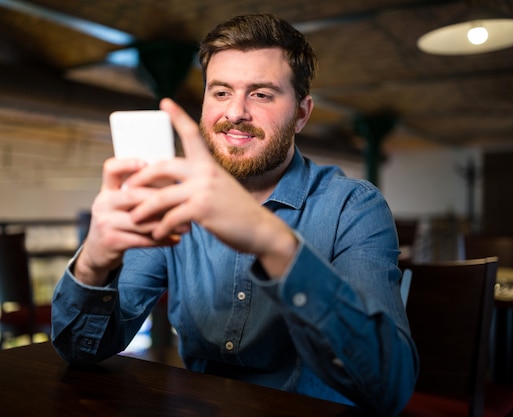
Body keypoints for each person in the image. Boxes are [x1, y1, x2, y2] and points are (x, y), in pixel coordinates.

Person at [51, 13, 418, 416]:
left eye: (261, 94)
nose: (236, 113)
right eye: (221, 92)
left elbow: (389, 387)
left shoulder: (354, 207)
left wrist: (271, 240)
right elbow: (81, 350)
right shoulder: (174, 199)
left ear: (301, 113)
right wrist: (93, 263)